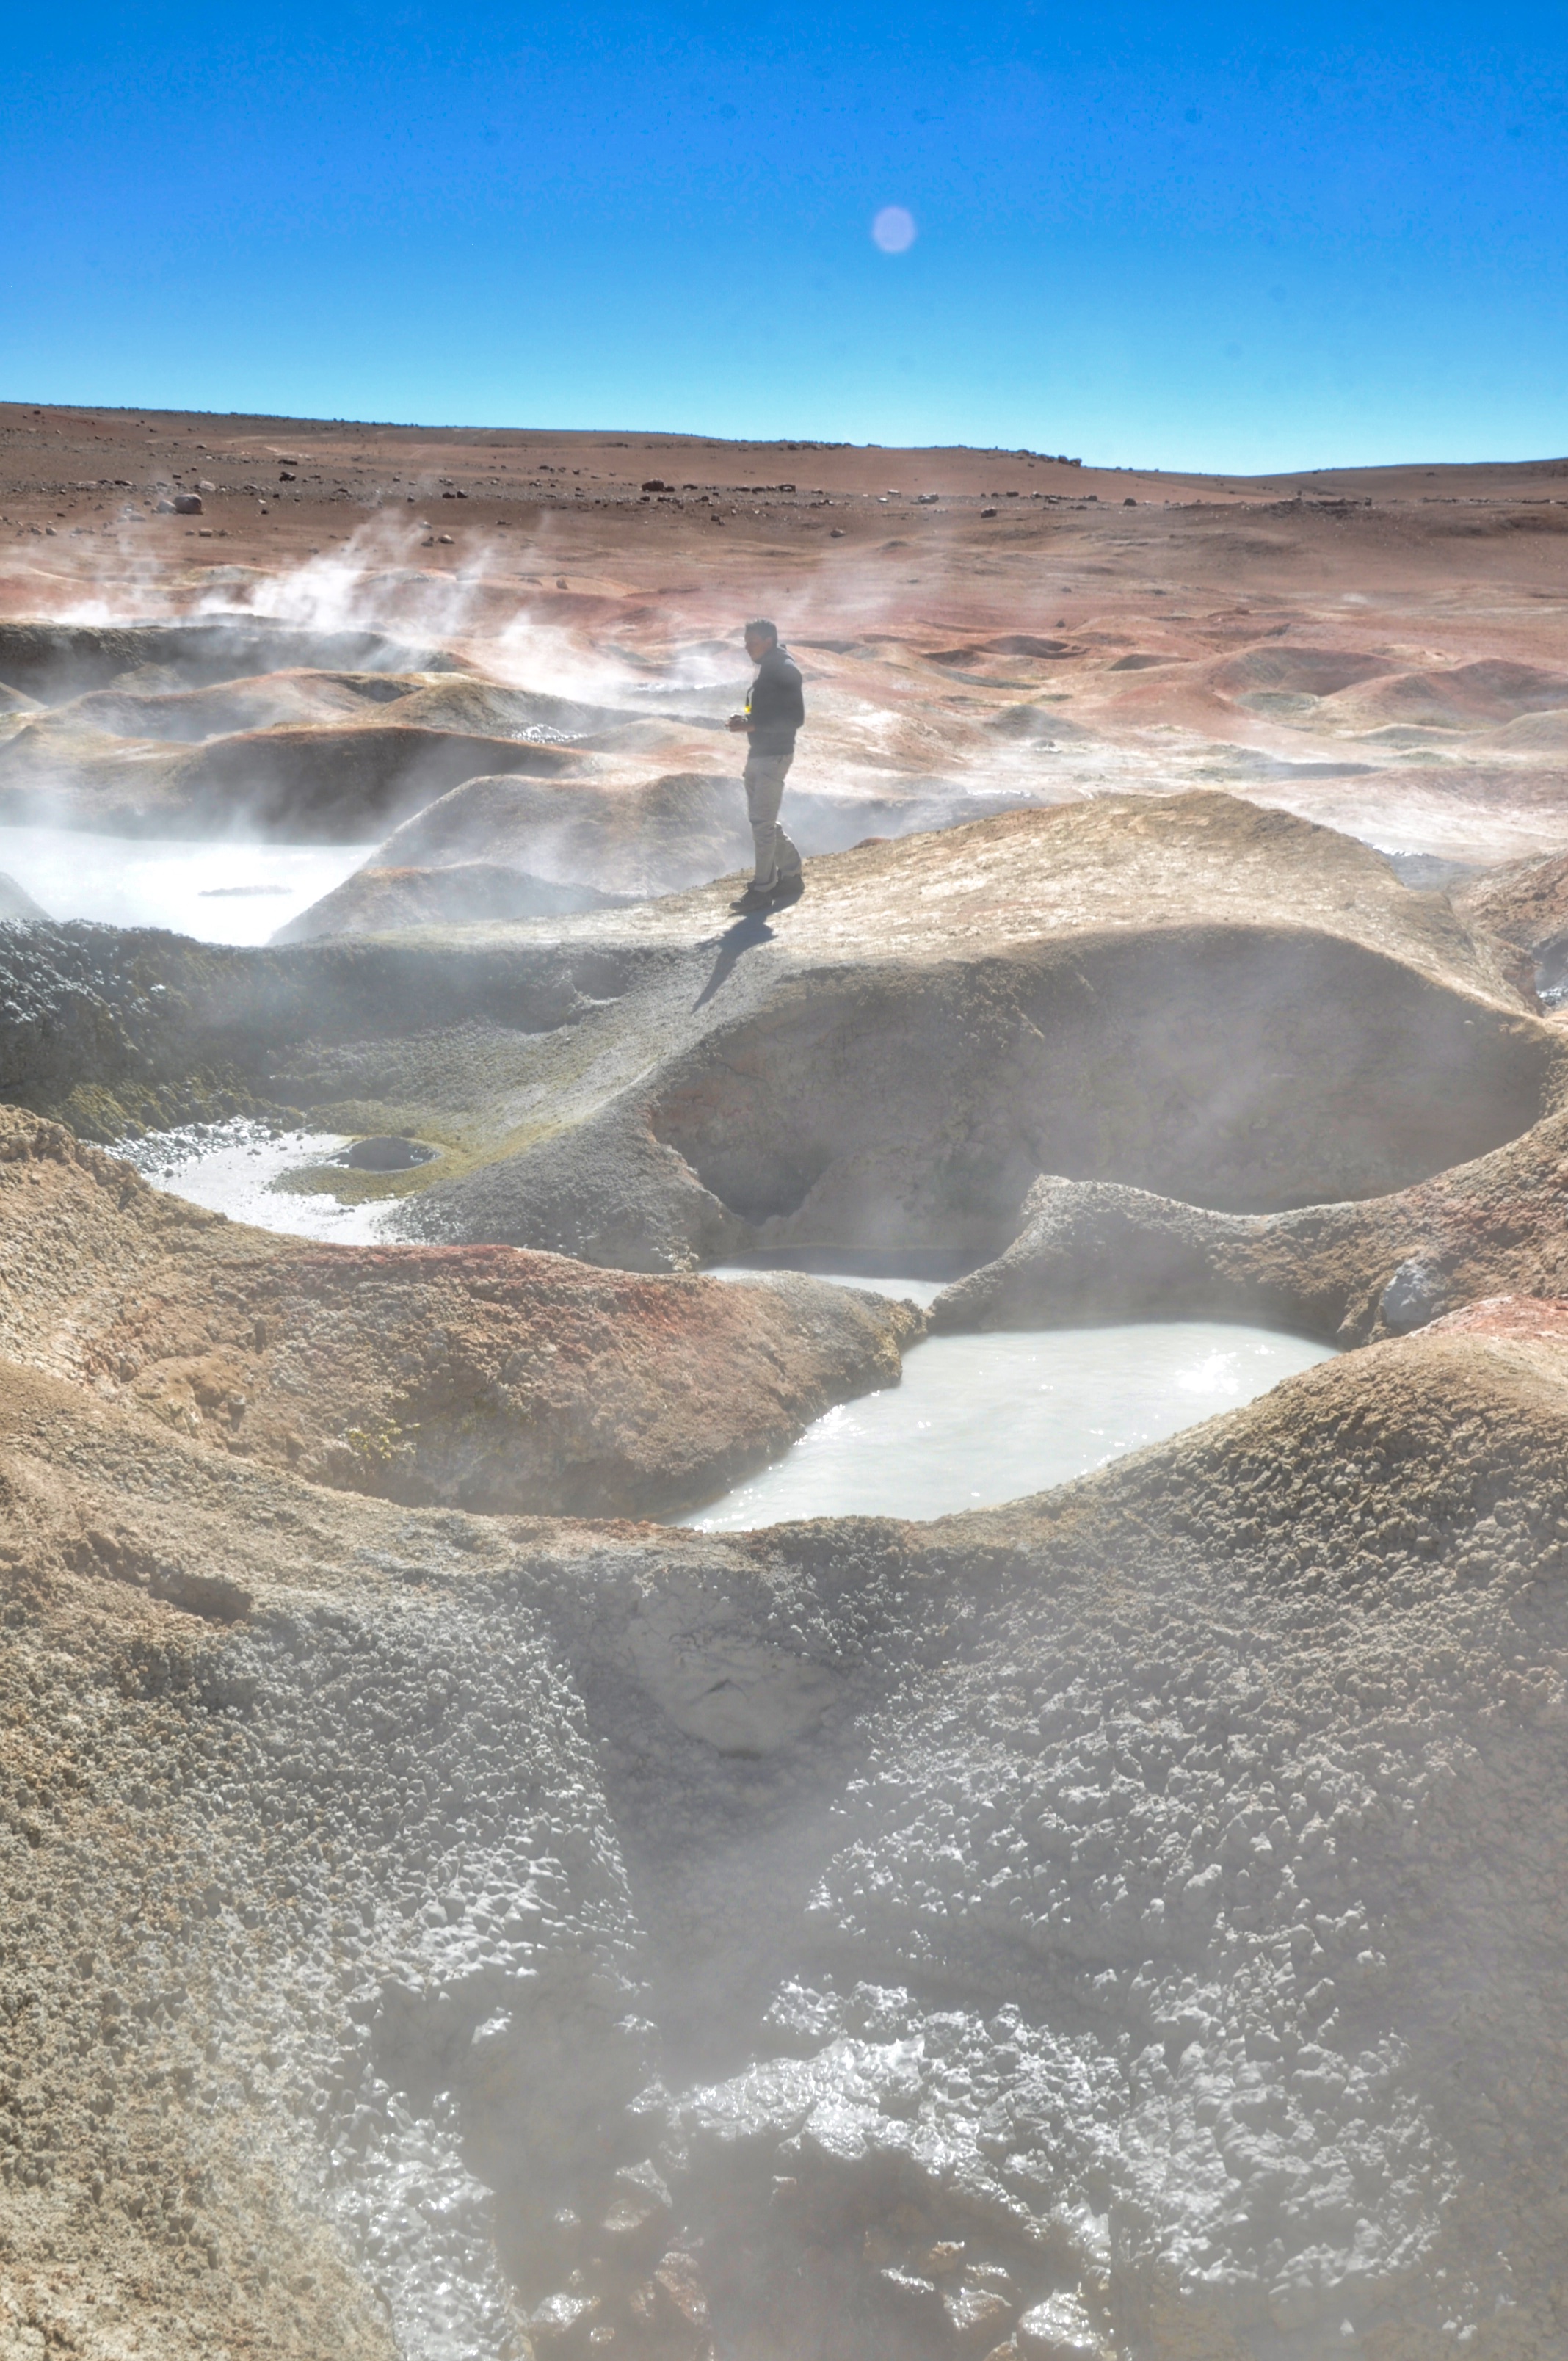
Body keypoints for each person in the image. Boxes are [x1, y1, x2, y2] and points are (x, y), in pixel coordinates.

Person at [727, 619, 805, 912]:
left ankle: (763, 889)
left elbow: (795, 718)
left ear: (768, 641)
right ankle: (792, 874)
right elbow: (768, 712)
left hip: (774, 756)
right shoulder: (769, 668)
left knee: (761, 824)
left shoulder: (784, 671)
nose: (747, 647)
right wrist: (747, 721)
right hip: (760, 754)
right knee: (763, 822)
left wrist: (754, 724)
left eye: (752, 642)